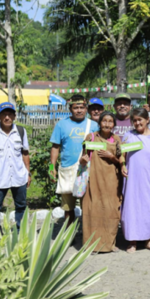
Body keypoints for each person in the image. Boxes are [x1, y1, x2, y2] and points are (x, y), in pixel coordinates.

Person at [50, 95, 99, 224]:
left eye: (82, 107)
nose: (79, 110)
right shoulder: (61, 125)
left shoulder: (93, 125)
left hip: (88, 170)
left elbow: (100, 147)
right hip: (67, 170)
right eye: (75, 107)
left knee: (88, 204)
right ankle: (68, 235)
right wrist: (51, 167)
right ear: (70, 109)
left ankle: (87, 235)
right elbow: (55, 147)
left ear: (86, 108)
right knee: (68, 207)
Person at [0, 102, 30, 229]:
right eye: (4, 114)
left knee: (21, 206)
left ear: (14, 116)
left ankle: (21, 232)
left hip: (19, 176)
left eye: (9, 114)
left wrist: (28, 173)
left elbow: (25, 153)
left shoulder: (21, 131)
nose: (7, 117)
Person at [120, 108, 150, 253]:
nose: (137, 123)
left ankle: (148, 240)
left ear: (147, 120)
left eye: (140, 120)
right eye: (135, 120)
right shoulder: (128, 135)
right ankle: (132, 242)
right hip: (133, 180)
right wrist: (122, 165)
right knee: (132, 208)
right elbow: (121, 154)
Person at [80, 111, 123, 253]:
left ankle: (110, 244)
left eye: (110, 121)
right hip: (94, 179)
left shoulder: (116, 139)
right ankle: (91, 245)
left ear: (114, 125)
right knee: (92, 210)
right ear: (99, 123)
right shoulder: (91, 138)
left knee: (111, 211)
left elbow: (120, 163)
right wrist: (83, 160)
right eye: (104, 121)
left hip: (112, 181)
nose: (107, 124)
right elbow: (83, 159)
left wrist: (111, 157)